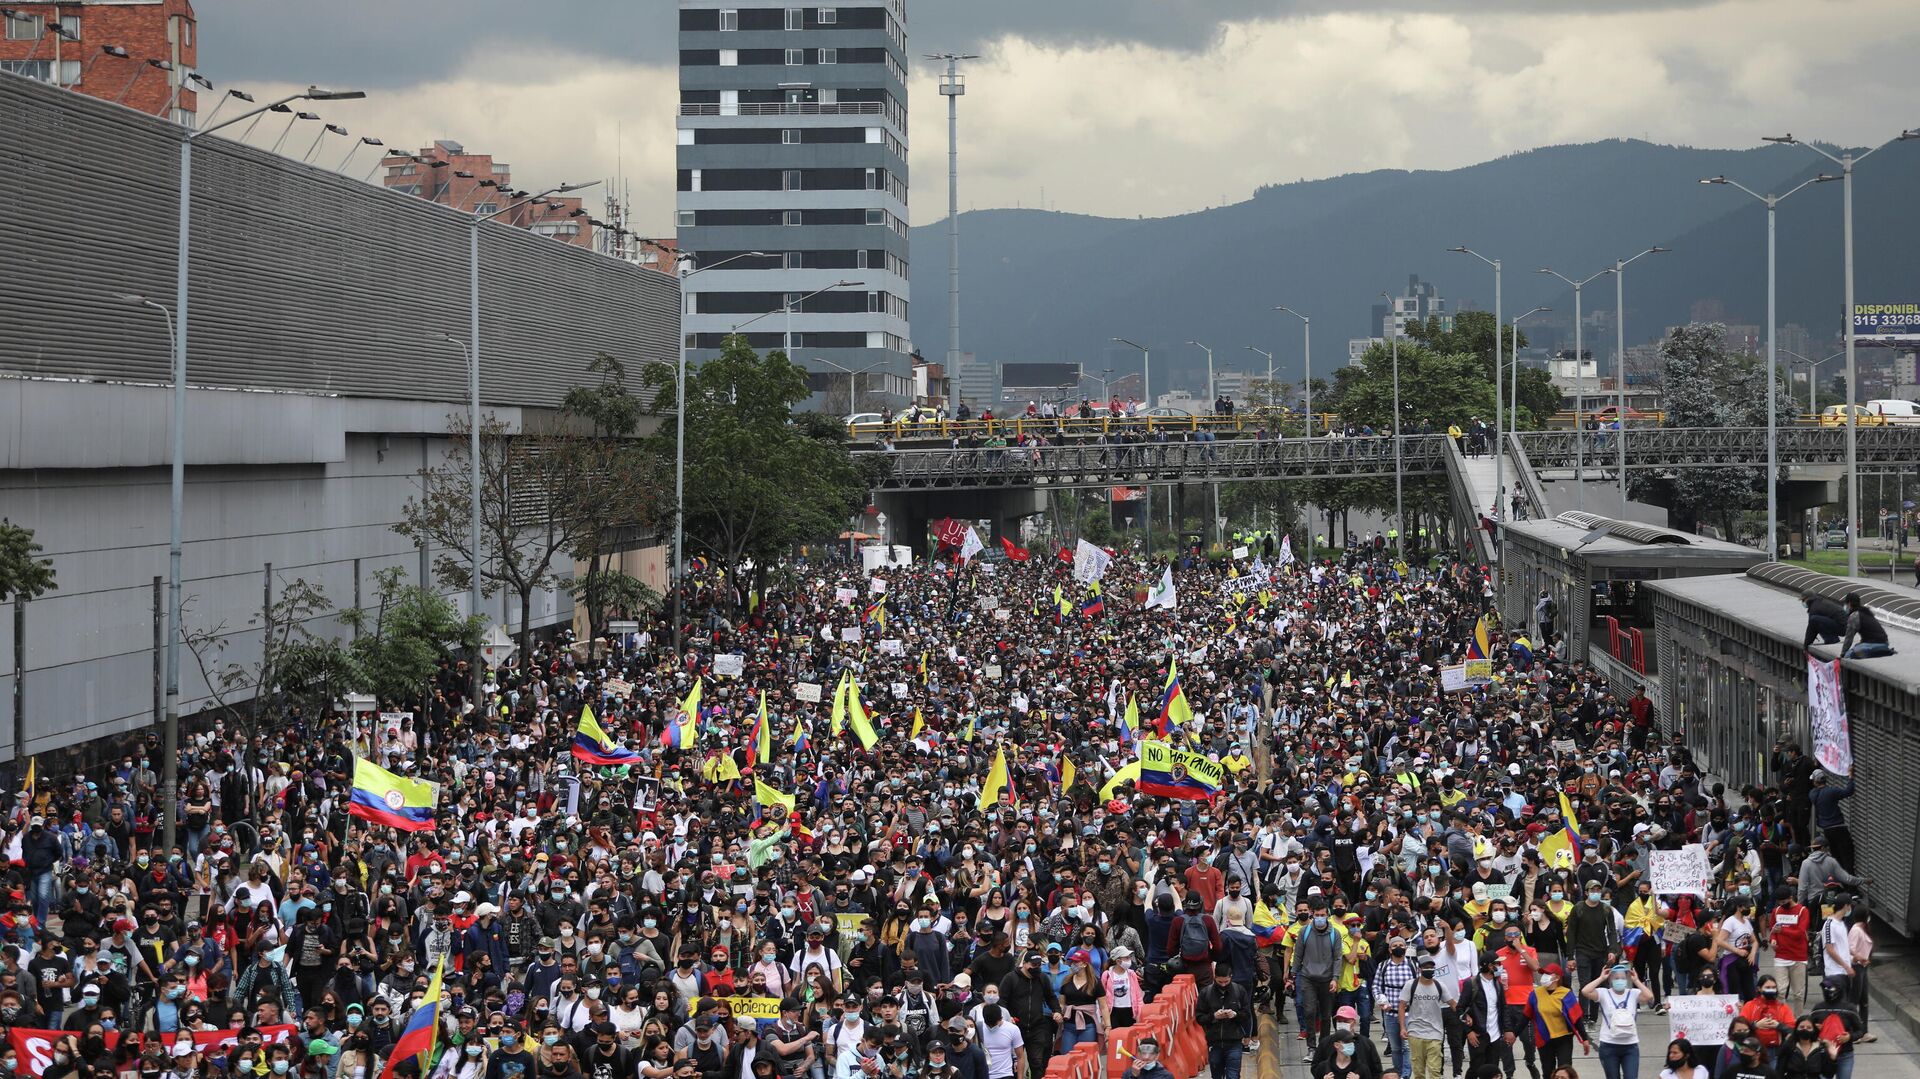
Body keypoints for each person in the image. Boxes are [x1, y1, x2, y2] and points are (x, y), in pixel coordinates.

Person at [1579, 964, 1644, 1079]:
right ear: (1610, 980)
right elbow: (1585, 991)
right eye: (1616, 978)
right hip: (1609, 1045)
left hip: (1630, 1046)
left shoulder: (1633, 993)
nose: (1620, 981)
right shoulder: (1604, 993)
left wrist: (1636, 980)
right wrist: (1601, 978)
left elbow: (1649, 997)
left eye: (1623, 978)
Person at [1398, 958, 1454, 1079]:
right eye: (1425, 967)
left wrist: (1465, 1015)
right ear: (1419, 969)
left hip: (1435, 1033)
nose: (1429, 969)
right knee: (1418, 1071)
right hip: (1415, 1032)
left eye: (1431, 967)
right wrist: (1402, 1027)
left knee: (1435, 1070)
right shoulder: (1411, 985)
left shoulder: (1440, 986)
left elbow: (1452, 1003)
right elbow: (1402, 1005)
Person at [1526, 965, 1586, 1074]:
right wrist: (1513, 1034)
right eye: (1544, 973)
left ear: (1557, 978)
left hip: (1564, 1038)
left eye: (1548, 974)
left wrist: (1584, 1038)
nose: (1544, 976)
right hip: (1544, 1038)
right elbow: (1526, 1016)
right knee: (1548, 1070)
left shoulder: (1566, 993)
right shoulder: (1535, 994)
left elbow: (1576, 1018)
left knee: (1564, 1069)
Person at [1195, 962, 1252, 1079]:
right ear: (1214, 978)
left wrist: (1235, 1015)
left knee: (1233, 1075)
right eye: (1220, 982)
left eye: (1226, 981)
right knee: (1216, 1075)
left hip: (1234, 1042)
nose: (1223, 985)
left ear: (1231, 977)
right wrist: (1214, 1016)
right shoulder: (1206, 993)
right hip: (1214, 1042)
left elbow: (1247, 1014)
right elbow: (1199, 1018)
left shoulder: (1239, 991)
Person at [1806, 977, 1863, 1079]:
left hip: (1845, 1055)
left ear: (1839, 988)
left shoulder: (1850, 1009)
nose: (1826, 990)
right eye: (1824, 987)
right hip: (1823, 1055)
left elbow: (1860, 1030)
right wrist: (1814, 1029)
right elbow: (1807, 1029)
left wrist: (1849, 1036)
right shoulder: (1818, 1008)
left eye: (1830, 987)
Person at [1837, 593, 1892, 659]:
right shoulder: (1865, 612)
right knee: (1857, 646)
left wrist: (1843, 654)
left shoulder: (1854, 616)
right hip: (1884, 643)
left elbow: (1849, 638)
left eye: (1846, 604)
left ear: (1849, 604)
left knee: (1849, 655)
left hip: (1875, 645)